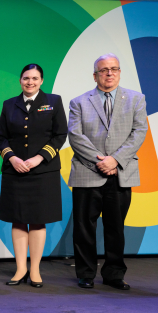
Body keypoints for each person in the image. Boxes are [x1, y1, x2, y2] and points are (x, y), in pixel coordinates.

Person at [68, 53, 147, 290]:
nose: (109, 73)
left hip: (121, 173)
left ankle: (114, 274)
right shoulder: (78, 102)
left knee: (116, 227)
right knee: (84, 228)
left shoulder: (136, 99)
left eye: (114, 69)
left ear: (120, 72)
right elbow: (75, 135)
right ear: (95, 75)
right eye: (103, 70)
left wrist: (115, 160)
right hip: (86, 171)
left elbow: (139, 132)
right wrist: (99, 162)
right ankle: (86, 273)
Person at [0, 64, 67, 288]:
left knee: (37, 220)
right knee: (17, 219)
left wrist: (39, 158)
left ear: (42, 80)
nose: (30, 82)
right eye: (26, 78)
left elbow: (60, 135)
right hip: (15, 171)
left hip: (43, 172)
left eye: (35, 78)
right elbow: (1, 137)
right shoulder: (9, 104)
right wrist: (12, 158)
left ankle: (34, 270)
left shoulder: (54, 101)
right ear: (20, 80)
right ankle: (20, 269)